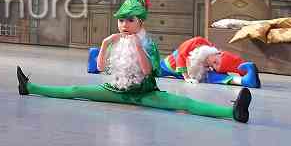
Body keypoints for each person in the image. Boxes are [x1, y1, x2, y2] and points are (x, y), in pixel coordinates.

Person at [17, 0, 252, 123]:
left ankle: (233, 112)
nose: (124, 25)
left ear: (140, 22)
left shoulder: (148, 45)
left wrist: (137, 46)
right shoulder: (116, 41)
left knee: (183, 104)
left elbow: (148, 72)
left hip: (144, 94)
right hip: (115, 91)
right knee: (76, 91)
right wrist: (105, 43)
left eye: (129, 20)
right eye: (121, 20)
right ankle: (29, 87)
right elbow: (100, 68)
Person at [87, 35, 259, 87]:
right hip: (170, 66)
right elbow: (181, 55)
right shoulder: (199, 42)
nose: (213, 65)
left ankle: (246, 79)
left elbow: (227, 64)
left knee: (213, 77)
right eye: (215, 62)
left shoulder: (210, 62)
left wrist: (240, 68)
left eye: (216, 66)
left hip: (192, 73)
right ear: (218, 53)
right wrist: (186, 77)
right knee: (139, 70)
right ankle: (97, 60)